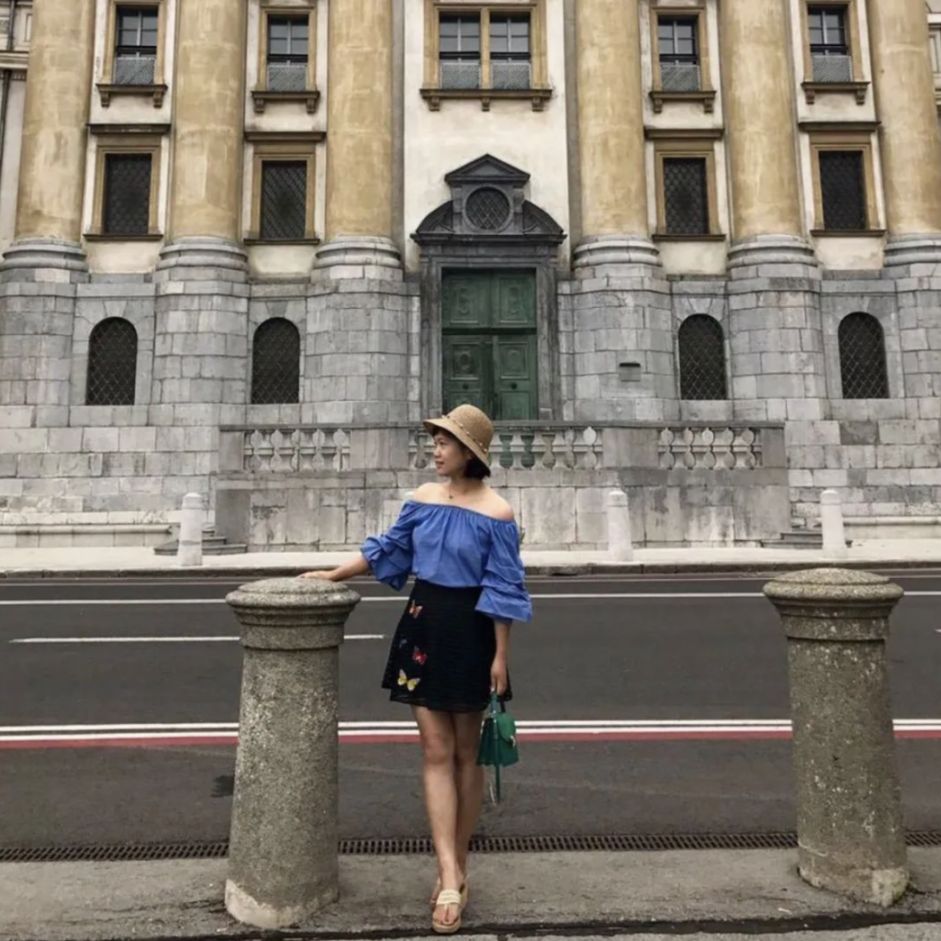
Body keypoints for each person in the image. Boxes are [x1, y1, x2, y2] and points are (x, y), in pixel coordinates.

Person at [302, 403, 532, 935]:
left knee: (467, 755)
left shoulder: (498, 513)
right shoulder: (422, 499)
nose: (435, 449)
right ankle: (448, 874)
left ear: (469, 452)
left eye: (444, 442)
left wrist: (501, 656)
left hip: (472, 631)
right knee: (434, 751)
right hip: (424, 625)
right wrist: (334, 574)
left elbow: (504, 587)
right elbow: (389, 549)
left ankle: (459, 865)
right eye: (436, 441)